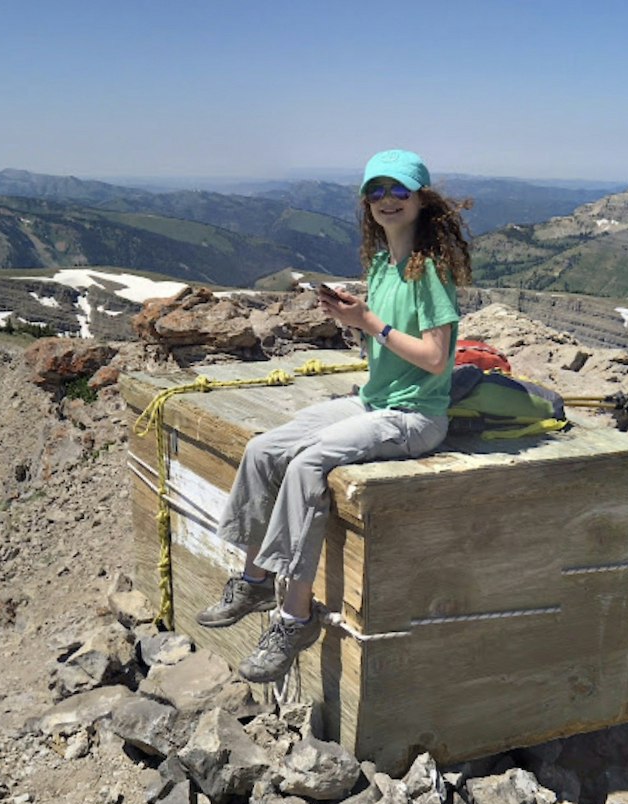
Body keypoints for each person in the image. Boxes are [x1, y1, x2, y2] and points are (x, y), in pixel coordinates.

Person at [198, 148, 472, 683]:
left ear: (421, 199)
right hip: (376, 399)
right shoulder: (382, 263)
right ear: (366, 202)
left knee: (307, 466)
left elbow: (438, 359)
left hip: (415, 416)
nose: (387, 200)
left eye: (399, 190)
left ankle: (292, 616)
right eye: (377, 191)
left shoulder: (430, 270)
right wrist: (355, 315)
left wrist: (368, 321)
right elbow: (383, 339)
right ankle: (253, 580)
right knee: (264, 450)